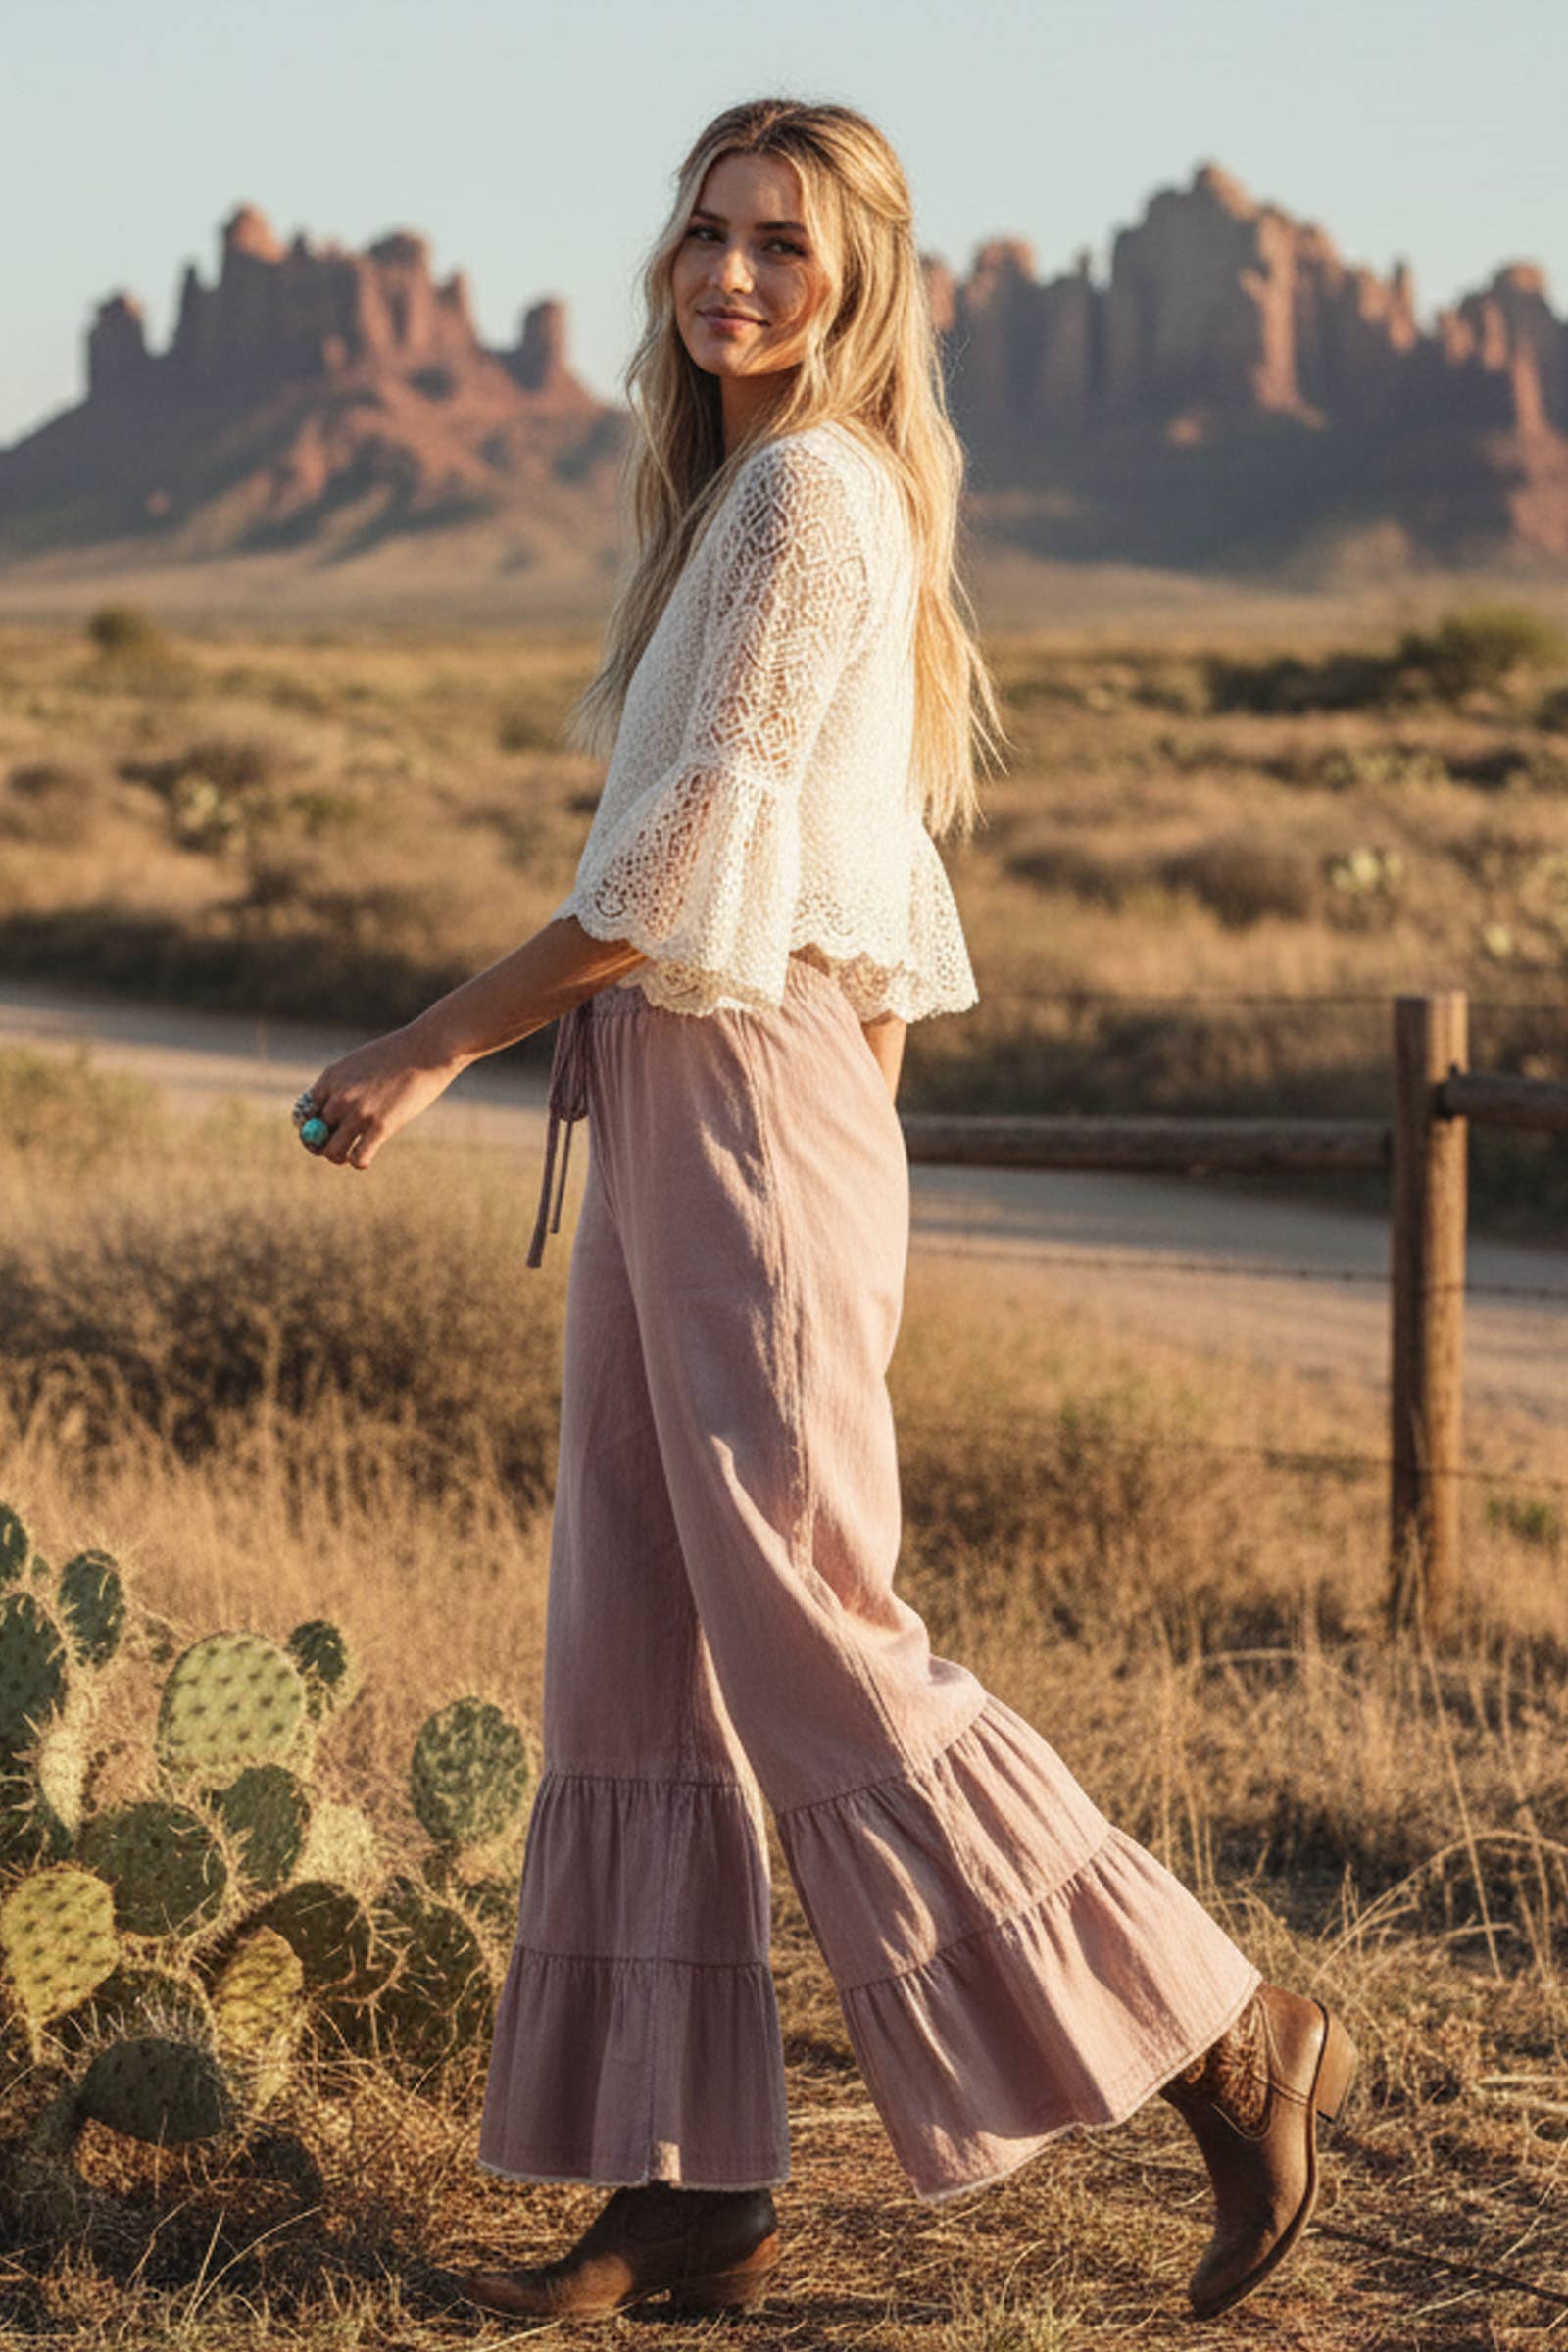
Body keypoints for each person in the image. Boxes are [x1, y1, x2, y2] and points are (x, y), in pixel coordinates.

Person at [292, 95, 1356, 2328]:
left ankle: (1220, 2035)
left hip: (730, 1093)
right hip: (699, 1088)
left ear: (860, 279)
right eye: (704, 232)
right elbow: (873, 891)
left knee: (804, 1618)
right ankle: (676, 2186)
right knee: (634, 1647)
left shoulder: (807, 491)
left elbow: (691, 863)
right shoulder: (746, 503)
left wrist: (434, 1037)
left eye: (781, 241)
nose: (729, 276)